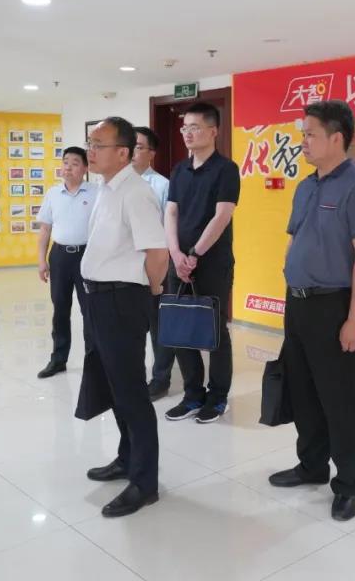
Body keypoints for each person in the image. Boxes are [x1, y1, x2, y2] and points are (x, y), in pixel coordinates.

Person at [267, 101, 355, 522]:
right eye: (303, 134)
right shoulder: (306, 186)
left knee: (340, 399)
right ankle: (311, 465)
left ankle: (348, 483)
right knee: (303, 391)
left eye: (310, 134)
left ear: (336, 138)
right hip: (298, 303)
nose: (304, 142)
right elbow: (295, 237)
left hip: (334, 306)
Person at [80, 117, 169, 517]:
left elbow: (157, 253)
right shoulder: (106, 188)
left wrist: (149, 292)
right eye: (89, 143)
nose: (90, 151)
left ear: (122, 152)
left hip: (122, 300)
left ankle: (145, 483)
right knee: (114, 386)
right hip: (99, 299)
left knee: (131, 392)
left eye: (97, 144)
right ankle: (126, 457)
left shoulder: (135, 193)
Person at [162, 102, 241, 424]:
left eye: (194, 127)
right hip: (179, 261)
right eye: (185, 128)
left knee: (214, 330)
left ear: (213, 131)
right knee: (180, 326)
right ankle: (192, 395)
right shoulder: (180, 170)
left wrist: (194, 254)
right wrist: (176, 253)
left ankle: (218, 397)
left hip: (212, 263)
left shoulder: (226, 169)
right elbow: (171, 212)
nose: (188, 133)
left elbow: (222, 216)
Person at [35, 147, 98, 379]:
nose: (68, 167)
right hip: (60, 256)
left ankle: (94, 360)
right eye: (65, 162)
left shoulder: (96, 192)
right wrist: (42, 261)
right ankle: (58, 359)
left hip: (86, 256)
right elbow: (45, 230)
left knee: (89, 310)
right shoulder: (53, 193)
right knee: (60, 309)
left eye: (74, 163)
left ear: (85, 168)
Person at [132, 126, 174, 401]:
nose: (132, 152)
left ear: (151, 153)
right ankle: (133, 375)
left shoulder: (161, 185)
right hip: (125, 266)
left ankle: (160, 379)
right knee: (131, 326)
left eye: (138, 147)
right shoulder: (115, 185)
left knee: (158, 325)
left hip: (153, 264)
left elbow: (167, 229)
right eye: (130, 146)